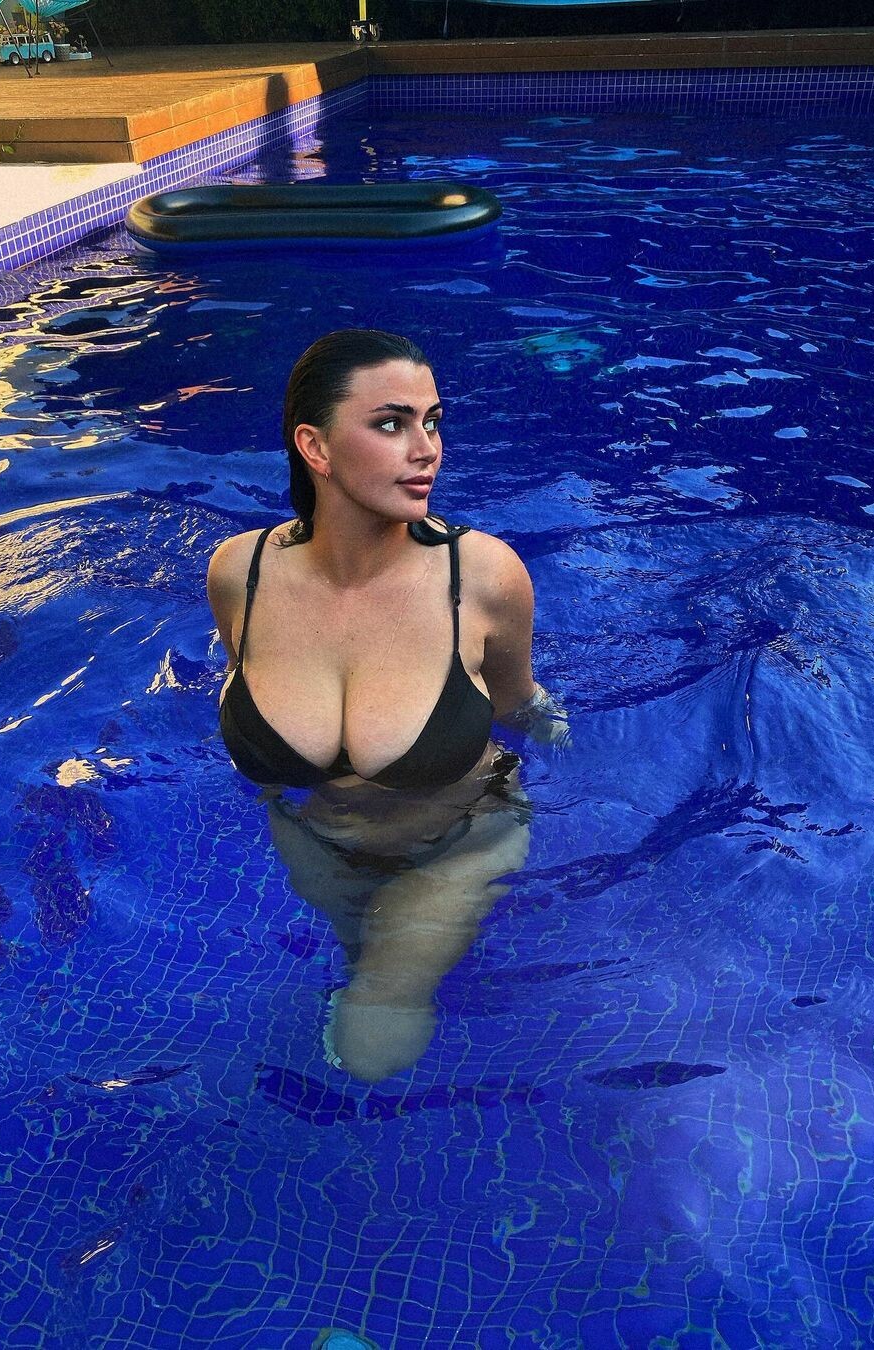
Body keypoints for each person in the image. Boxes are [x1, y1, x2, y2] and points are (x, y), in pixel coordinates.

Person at [205, 330, 569, 1082]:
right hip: (315, 841)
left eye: (433, 422)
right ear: (315, 446)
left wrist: (565, 732)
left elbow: (515, 703)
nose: (426, 448)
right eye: (391, 423)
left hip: (460, 841)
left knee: (369, 1048)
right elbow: (242, 676)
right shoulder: (241, 573)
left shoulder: (484, 577)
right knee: (344, 983)